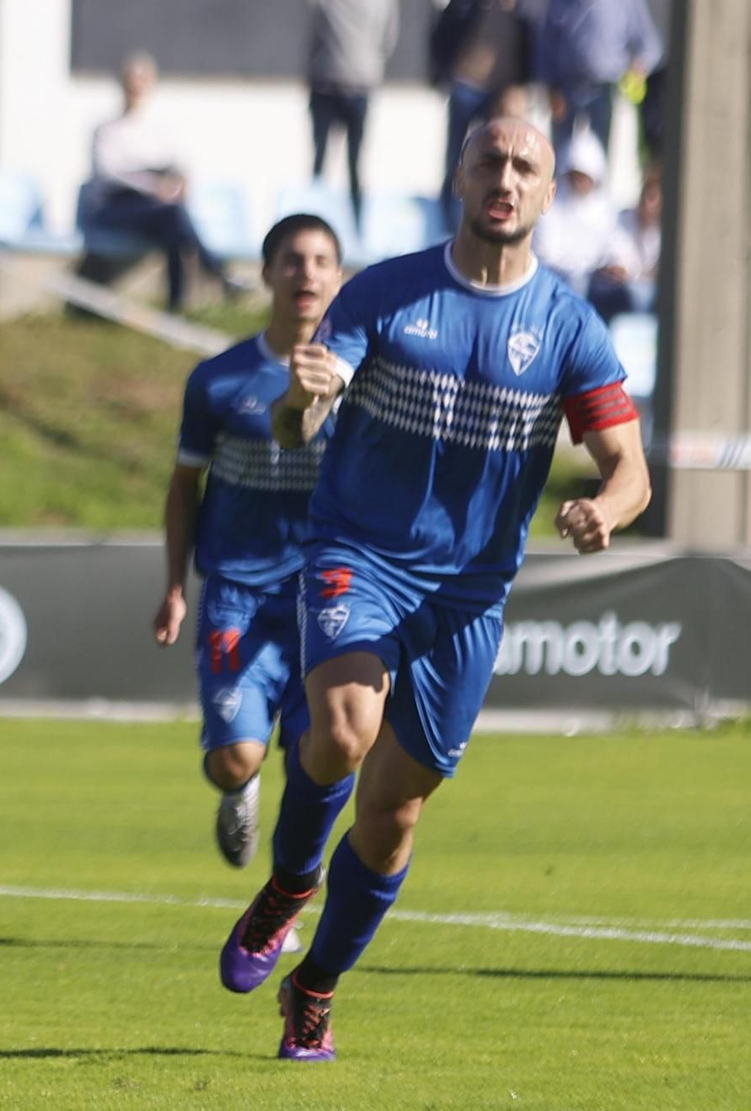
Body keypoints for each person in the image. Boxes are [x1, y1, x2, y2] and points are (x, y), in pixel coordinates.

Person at [217, 117, 649, 1061]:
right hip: (359, 553)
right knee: (339, 732)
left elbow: (631, 468)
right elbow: (297, 427)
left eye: (525, 166)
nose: (506, 177)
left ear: (547, 193)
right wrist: (303, 395)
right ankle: (290, 883)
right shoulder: (384, 291)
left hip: (470, 593)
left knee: (396, 812)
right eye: (489, 160)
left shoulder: (570, 325)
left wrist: (606, 509)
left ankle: (315, 984)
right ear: (460, 175)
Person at [152, 215, 344, 871]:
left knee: (318, 756)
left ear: (339, 277)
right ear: (266, 273)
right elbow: (184, 486)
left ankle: (285, 898)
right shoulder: (218, 379)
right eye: (292, 259)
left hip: (328, 597)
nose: (307, 273)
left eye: (322, 260)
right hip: (238, 590)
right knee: (237, 754)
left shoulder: (361, 383)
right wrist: (175, 585)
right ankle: (240, 784)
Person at [80, 51, 229, 312]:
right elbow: (110, 174)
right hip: (116, 208)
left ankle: (177, 302)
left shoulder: (158, 130)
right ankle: (214, 271)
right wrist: (154, 186)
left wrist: (180, 183)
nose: (136, 85)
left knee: (173, 224)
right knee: (173, 216)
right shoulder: (106, 130)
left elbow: (177, 165)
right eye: (132, 79)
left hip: (155, 209)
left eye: (142, 79)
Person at [429, 0, 535, 231]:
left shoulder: (521, 14)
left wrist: (520, 88)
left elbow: (529, 50)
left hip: (498, 93)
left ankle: (485, 213)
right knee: (456, 153)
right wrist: (442, 74)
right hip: (466, 85)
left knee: (494, 156)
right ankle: (446, 217)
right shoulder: (468, 6)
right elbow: (442, 35)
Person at [306, 0, 400, 232]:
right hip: (360, 81)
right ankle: (355, 226)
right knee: (354, 163)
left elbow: (315, 30)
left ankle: (314, 223)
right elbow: (387, 42)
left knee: (321, 163)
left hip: (327, 80)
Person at [536, 0, 662, 162]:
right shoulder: (560, 3)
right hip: (565, 90)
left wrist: (639, 67)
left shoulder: (627, 3)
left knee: (600, 158)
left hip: (606, 90)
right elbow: (546, 47)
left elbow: (651, 46)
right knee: (560, 156)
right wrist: (551, 88)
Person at [534, 128, 620, 296]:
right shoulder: (549, 208)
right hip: (556, 281)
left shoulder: (606, 211)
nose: (581, 182)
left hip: (597, 285)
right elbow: (547, 255)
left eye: (585, 176)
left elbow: (612, 249)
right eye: (576, 174)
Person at [587, 158, 661, 320]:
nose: (649, 203)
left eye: (654, 197)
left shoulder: (666, 232)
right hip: (618, 292)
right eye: (647, 194)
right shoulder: (621, 219)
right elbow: (616, 261)